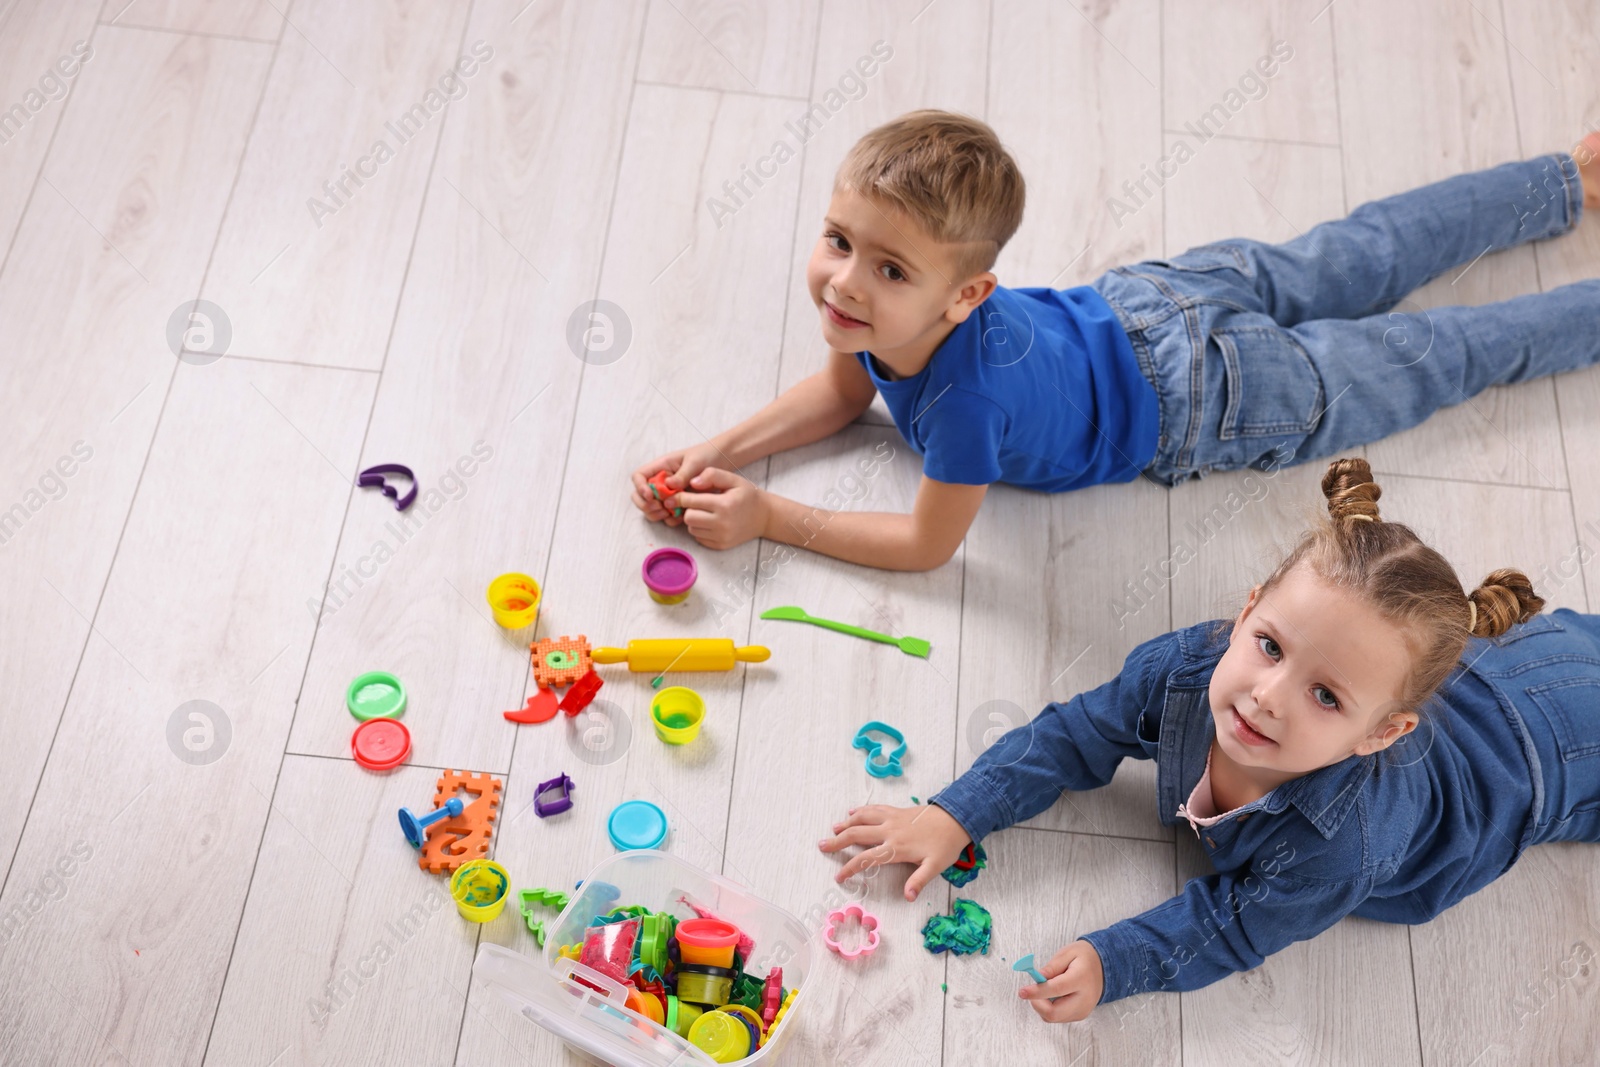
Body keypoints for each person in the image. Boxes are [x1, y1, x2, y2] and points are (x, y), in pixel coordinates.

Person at [630, 108, 1600, 571]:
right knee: (1364, 247)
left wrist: (771, 518)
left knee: (1442, 351)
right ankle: (1565, 179)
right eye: (838, 242)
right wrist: (715, 452)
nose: (842, 282)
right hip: (1160, 300)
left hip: (1217, 402)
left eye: (888, 267)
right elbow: (845, 394)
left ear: (965, 295)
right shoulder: (875, 317)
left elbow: (927, 543)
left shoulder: (966, 404)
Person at [817, 458, 1600, 1022]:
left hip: (1550, 755)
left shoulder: (1343, 844)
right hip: (1509, 663)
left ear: (1380, 733)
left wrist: (1115, 959)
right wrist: (958, 811)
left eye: (1324, 696)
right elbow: (1078, 732)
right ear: (1248, 608)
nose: (1267, 696)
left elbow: (1232, 921)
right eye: (1269, 644)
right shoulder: (1186, 666)